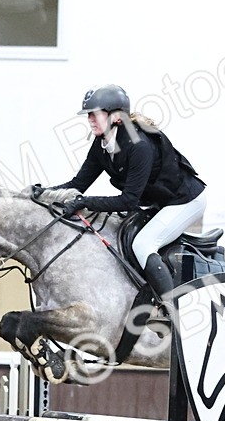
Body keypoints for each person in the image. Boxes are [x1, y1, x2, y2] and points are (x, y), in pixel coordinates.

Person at [43, 84, 206, 300]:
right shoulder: (103, 143)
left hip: (185, 201)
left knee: (143, 244)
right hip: (158, 202)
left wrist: (84, 202)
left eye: (96, 114)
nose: (91, 119)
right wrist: (43, 194)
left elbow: (128, 200)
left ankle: (170, 309)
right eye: (89, 114)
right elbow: (78, 184)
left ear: (116, 117)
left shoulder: (139, 146)